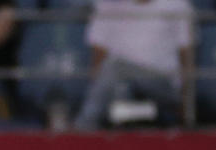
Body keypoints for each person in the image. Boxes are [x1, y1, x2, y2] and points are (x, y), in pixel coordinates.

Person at [74, 0, 195, 129]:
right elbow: (98, 59)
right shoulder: (107, 5)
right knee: (119, 89)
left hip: (164, 84)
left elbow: (186, 55)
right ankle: (116, 140)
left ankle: (83, 127)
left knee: (117, 67)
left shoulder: (177, 4)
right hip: (120, 83)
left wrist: (185, 101)